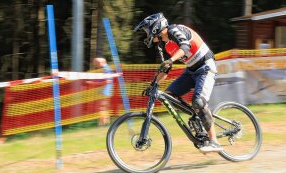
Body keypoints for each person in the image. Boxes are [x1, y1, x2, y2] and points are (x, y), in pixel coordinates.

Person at [134, 12, 223, 153]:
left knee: (198, 102)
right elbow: (166, 68)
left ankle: (214, 142)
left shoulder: (174, 30)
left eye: (147, 30)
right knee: (169, 96)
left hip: (205, 67)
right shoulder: (166, 45)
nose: (147, 34)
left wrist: (171, 60)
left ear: (156, 27)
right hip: (191, 70)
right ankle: (197, 116)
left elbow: (185, 46)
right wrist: (153, 85)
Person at [90, 57, 113, 126]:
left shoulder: (106, 69)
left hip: (105, 91)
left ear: (101, 63)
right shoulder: (106, 69)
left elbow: (107, 81)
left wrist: (93, 83)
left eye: (97, 63)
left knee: (102, 108)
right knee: (105, 108)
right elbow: (102, 80)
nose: (96, 65)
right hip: (106, 91)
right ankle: (105, 124)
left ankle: (102, 124)